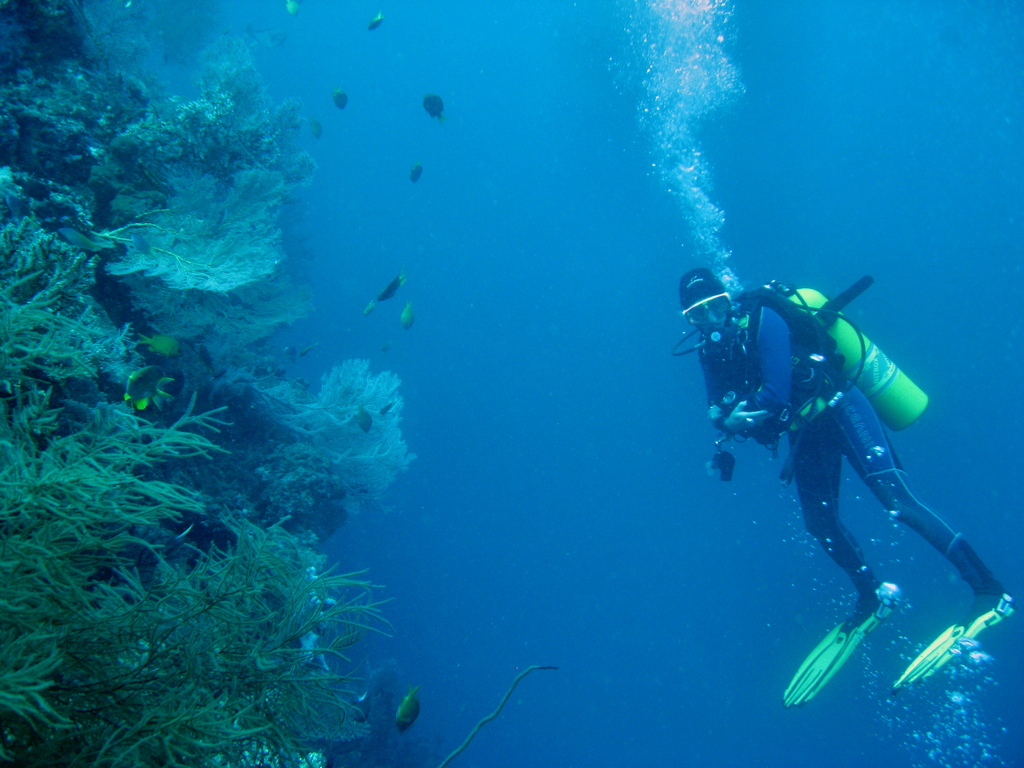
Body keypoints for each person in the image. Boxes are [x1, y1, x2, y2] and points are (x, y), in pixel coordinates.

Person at [676, 267, 1013, 707]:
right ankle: (872, 598)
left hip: (839, 409)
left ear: (729, 299)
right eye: (698, 315)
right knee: (820, 523)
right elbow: (714, 410)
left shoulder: (762, 317)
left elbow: (775, 392)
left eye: (715, 306)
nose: (710, 320)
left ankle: (990, 591)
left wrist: (737, 415)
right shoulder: (710, 350)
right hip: (806, 430)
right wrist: (727, 418)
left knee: (897, 502)